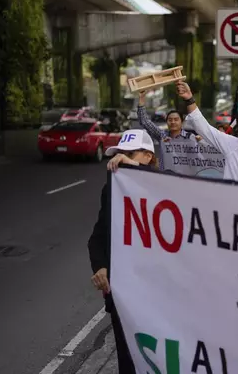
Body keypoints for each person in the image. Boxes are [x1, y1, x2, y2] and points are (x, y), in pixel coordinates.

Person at [87, 129, 158, 374]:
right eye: (119, 154)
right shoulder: (111, 191)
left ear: (148, 157)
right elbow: (97, 237)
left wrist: (135, 169)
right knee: (127, 358)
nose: (120, 159)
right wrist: (100, 266)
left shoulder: (164, 188)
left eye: (130, 154)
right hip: (122, 294)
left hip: (156, 295)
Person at [136, 91, 199, 172]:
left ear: (182, 122)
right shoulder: (162, 136)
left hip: (184, 179)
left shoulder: (190, 137)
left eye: (176, 120)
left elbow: (197, 161)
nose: (173, 122)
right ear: (167, 122)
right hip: (165, 178)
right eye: (170, 120)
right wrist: (141, 99)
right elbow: (145, 121)